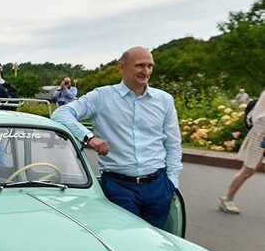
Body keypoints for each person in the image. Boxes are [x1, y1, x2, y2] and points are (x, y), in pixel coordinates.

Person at [52, 46, 182, 228]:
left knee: (155, 244)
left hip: (158, 187)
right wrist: (89, 138)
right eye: (139, 66)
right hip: (120, 187)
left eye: (150, 66)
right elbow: (61, 114)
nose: (146, 71)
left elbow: (173, 143)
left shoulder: (164, 100)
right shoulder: (102, 96)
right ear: (121, 67)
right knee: (126, 242)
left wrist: (172, 183)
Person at [219, 94, 265, 214]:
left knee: (249, 171)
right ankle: (228, 198)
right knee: (247, 171)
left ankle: (227, 198)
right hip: (259, 138)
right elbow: (257, 118)